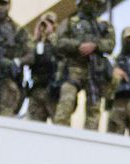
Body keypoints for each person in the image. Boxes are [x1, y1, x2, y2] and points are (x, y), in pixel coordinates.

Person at [52, 0, 114, 130]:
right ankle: (60, 134)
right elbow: (59, 42)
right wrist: (78, 46)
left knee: (94, 109)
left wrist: (95, 46)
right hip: (73, 69)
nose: (90, 4)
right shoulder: (70, 23)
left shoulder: (102, 25)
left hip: (95, 71)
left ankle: (90, 140)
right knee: (66, 101)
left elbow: (110, 44)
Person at [22, 13, 60, 122]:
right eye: (43, 23)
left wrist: (50, 35)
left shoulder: (58, 40)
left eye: (50, 22)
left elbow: (62, 51)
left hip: (53, 90)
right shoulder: (35, 43)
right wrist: (36, 37)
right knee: (32, 128)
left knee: (60, 126)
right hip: (36, 90)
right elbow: (25, 56)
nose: (46, 25)